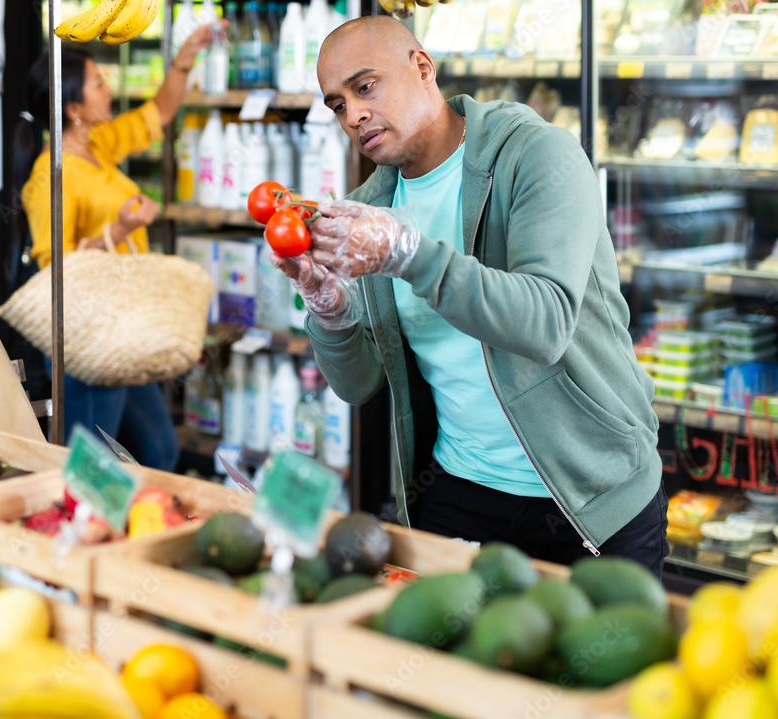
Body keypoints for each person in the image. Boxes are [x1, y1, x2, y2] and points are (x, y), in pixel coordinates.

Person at [272, 16, 668, 577]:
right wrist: (329, 311)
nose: (354, 115)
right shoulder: (371, 208)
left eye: (365, 87)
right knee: (453, 664)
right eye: (337, 105)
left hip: (590, 498)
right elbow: (357, 385)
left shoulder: (537, 155)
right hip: (457, 494)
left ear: (423, 68)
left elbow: (545, 324)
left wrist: (407, 255)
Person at [12, 25, 222, 470]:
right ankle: (76, 532)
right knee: (92, 461)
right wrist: (120, 229)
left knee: (159, 449)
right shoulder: (51, 176)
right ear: (73, 108)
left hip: (123, 327)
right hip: (85, 335)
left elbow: (160, 111)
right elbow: (57, 269)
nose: (108, 87)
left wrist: (186, 55)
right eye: (98, 83)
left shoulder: (98, 145)